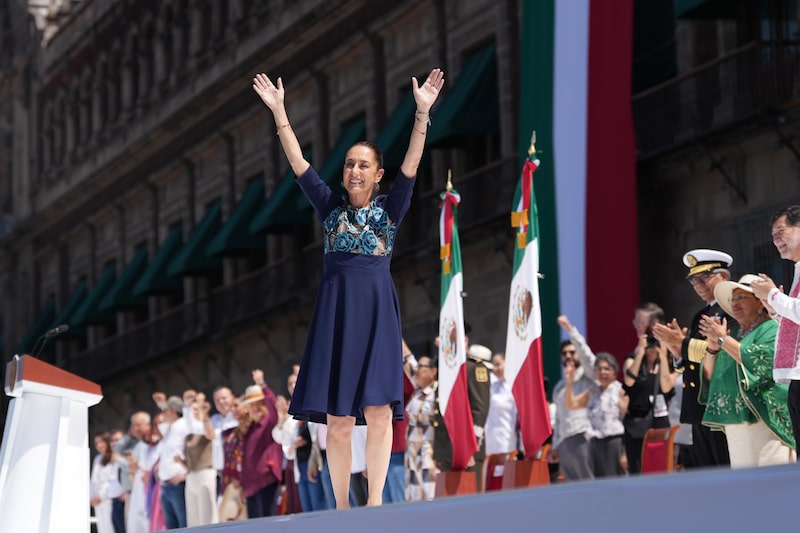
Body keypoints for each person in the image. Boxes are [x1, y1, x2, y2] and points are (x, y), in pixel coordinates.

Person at [252, 67, 444, 508]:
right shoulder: (329, 207)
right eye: (350, 164)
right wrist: (280, 113)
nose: (355, 170)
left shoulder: (390, 209)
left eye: (364, 165)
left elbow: (412, 164)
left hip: (377, 314)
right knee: (338, 420)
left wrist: (421, 114)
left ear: (378, 175)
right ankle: (342, 508)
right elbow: (299, 164)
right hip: (336, 316)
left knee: (378, 414)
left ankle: (374, 504)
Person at [699, 274, 796, 467]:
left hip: (765, 421)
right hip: (736, 423)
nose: (735, 303)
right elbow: (709, 375)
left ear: (760, 303)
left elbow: (759, 361)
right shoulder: (733, 335)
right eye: (732, 299)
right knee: (746, 487)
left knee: (771, 485)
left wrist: (722, 340)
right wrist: (713, 348)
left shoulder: (772, 328)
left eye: (741, 297)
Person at [653, 249, 734, 469]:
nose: (698, 284)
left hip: (722, 402)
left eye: (704, 277)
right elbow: (692, 363)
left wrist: (683, 343)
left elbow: (724, 351)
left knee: (725, 468)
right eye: (693, 280)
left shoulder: (733, 308)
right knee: (707, 471)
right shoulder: (700, 315)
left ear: (724, 277)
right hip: (701, 404)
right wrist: (677, 350)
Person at [752, 205, 800, 458]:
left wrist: (772, 294)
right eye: (772, 235)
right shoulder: (797, 269)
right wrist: (775, 309)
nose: (776, 239)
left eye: (781, 231)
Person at [564, 352, 626, 477]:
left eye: (607, 369)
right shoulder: (593, 392)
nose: (603, 372)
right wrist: (570, 381)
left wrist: (625, 452)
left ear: (614, 371)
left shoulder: (620, 391)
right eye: (599, 369)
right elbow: (570, 404)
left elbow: (626, 420)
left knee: (615, 481)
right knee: (599, 483)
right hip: (595, 443)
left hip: (614, 442)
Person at [622, 334, 676, 474]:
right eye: (651, 342)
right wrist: (640, 352)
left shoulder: (670, 366)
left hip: (659, 425)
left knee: (660, 468)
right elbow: (628, 381)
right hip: (637, 426)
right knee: (638, 469)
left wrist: (663, 354)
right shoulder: (632, 361)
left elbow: (666, 387)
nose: (653, 347)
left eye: (657, 342)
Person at [553, 317, 596, 480]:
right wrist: (556, 446)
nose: (568, 356)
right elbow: (558, 418)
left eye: (572, 352)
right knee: (573, 489)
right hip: (565, 442)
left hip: (583, 435)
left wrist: (571, 330)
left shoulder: (589, 376)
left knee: (590, 483)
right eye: (564, 354)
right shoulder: (559, 387)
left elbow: (587, 356)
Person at [240, 369, 282, 518]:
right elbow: (245, 460)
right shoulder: (249, 430)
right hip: (250, 487)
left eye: (259, 404)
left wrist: (262, 385)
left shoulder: (270, 423)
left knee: (269, 525)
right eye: (251, 405)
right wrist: (242, 484)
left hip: (267, 482)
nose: (255, 408)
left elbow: (273, 405)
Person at [404, 354, 438, 501]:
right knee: (413, 494)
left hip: (427, 450)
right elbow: (407, 360)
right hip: (412, 451)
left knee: (428, 493)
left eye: (421, 367)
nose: (417, 370)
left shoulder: (436, 392)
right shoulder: (417, 391)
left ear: (433, 371)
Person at [183, 394, 218, 526]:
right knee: (193, 519)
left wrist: (203, 411)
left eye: (197, 409)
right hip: (192, 476)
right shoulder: (189, 431)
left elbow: (208, 433)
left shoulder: (207, 424)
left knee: (208, 518)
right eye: (193, 409)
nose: (194, 412)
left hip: (205, 473)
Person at [156, 395, 189, 529]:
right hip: (166, 485)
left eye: (166, 410)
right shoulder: (170, 428)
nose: (163, 414)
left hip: (178, 483)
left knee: (183, 525)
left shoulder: (184, 425)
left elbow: (191, 450)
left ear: (174, 411)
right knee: (171, 527)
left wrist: (185, 473)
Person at [90, 431, 115, 533]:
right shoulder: (97, 458)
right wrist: (91, 498)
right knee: (102, 528)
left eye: (101, 442)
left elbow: (112, 480)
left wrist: (100, 496)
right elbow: (93, 481)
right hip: (97, 501)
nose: (99, 445)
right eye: (96, 443)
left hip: (108, 499)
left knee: (111, 528)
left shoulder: (113, 457)